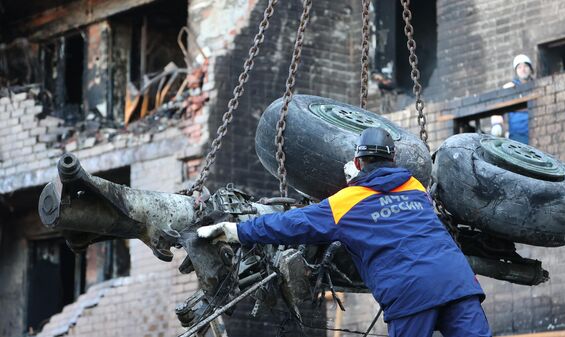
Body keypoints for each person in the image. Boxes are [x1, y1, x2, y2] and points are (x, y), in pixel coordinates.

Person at [197, 127, 491, 337]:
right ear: (393, 161)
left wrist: (235, 231)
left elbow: (289, 224)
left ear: (358, 163)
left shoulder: (345, 202)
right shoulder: (414, 186)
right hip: (458, 282)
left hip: (410, 291)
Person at [502, 54, 534, 144]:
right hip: (517, 136)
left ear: (530, 69)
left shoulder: (537, 86)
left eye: (525, 66)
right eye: (519, 67)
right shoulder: (510, 88)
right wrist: (498, 125)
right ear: (516, 71)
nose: (523, 69)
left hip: (536, 132)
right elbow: (498, 110)